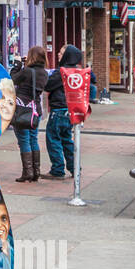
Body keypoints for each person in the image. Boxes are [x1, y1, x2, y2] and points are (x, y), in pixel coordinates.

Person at [42, 44, 83, 179]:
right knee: (67, 140)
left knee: (53, 139)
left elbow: (47, 86)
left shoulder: (62, 72)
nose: (58, 55)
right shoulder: (77, 71)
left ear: (67, 56)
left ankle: (57, 169)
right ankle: (75, 167)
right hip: (70, 110)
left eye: (61, 53)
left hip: (58, 110)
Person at [11, 45, 48, 183]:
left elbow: (12, 79)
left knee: (24, 140)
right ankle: (36, 172)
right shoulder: (44, 73)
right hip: (35, 111)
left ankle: (27, 172)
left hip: (22, 110)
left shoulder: (27, 71)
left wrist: (18, 64)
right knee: (33, 139)